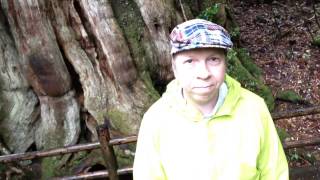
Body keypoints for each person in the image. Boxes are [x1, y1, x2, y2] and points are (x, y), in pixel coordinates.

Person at [133, 19, 288, 180]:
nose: (203, 73)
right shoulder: (156, 119)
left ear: (225, 63)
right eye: (190, 61)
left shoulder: (254, 108)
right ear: (175, 67)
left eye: (213, 59)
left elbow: (275, 172)